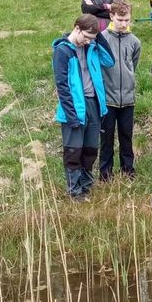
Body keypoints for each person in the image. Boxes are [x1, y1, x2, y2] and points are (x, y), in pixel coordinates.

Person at [51, 14, 114, 201]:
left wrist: (97, 35)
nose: (87, 41)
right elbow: (62, 86)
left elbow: (110, 60)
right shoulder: (62, 51)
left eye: (91, 39)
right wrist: (72, 116)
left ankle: (86, 186)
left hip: (93, 104)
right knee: (73, 151)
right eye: (85, 36)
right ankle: (74, 191)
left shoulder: (92, 46)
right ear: (76, 28)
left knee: (90, 149)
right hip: (73, 108)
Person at [99, 0, 141, 181]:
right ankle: (105, 173)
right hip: (108, 99)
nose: (124, 24)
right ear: (111, 17)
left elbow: (134, 64)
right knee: (106, 138)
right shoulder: (101, 39)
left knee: (126, 136)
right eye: (120, 19)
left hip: (128, 99)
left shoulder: (135, 42)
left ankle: (128, 170)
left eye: (127, 20)